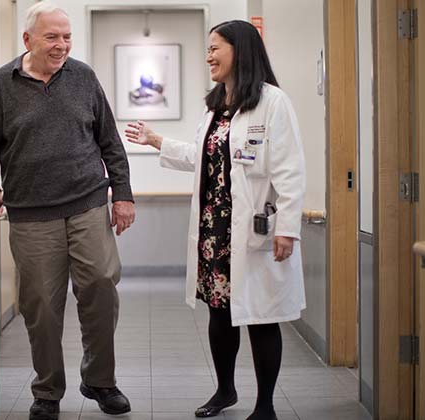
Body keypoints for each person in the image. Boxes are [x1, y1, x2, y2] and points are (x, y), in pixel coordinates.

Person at [124, 20, 306, 420]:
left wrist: (289, 228)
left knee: (261, 318)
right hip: (214, 231)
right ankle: (225, 391)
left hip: (254, 230)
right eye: (207, 49)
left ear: (240, 50)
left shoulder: (273, 103)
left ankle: (265, 405)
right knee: (219, 314)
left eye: (214, 48)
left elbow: (290, 171)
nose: (208, 55)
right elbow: (198, 158)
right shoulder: (216, 109)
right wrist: (156, 141)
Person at [0, 3, 135, 420]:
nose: (62, 45)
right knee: (41, 305)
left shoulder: (83, 78)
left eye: (67, 37)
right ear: (28, 40)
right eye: (52, 37)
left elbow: (110, 142)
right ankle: (47, 391)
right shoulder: (3, 84)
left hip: (87, 202)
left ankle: (100, 380)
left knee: (100, 284)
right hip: (30, 213)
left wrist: (123, 195)